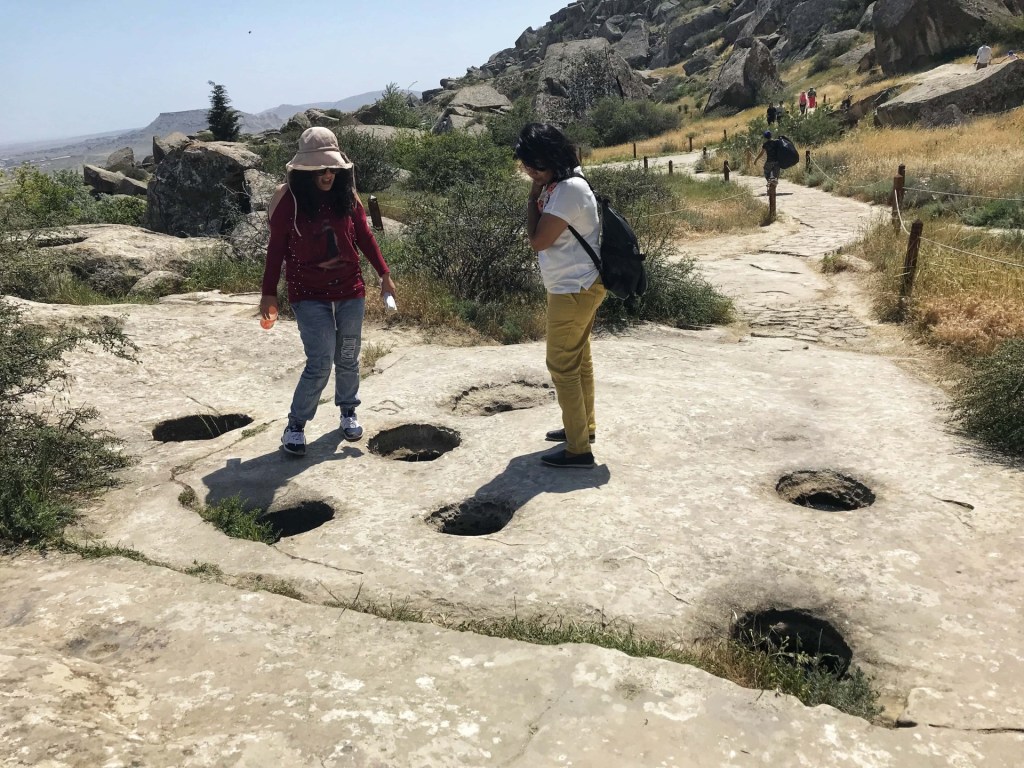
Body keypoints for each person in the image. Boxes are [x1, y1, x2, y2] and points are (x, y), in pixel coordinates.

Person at [260, 127, 397, 456]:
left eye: (332, 167)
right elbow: (276, 249)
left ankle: (348, 411)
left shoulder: (346, 196)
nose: (327, 173)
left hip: (351, 290)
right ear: (305, 171)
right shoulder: (290, 201)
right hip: (308, 294)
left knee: (348, 357)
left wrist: (384, 275)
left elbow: (365, 237)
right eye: (319, 168)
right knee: (320, 361)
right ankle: (296, 425)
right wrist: (269, 294)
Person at [514, 123, 606, 469]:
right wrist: (540, 185)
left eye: (532, 165)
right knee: (579, 360)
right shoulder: (567, 181)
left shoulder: (566, 190)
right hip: (578, 285)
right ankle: (583, 428)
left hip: (573, 289)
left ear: (547, 160)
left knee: (561, 365)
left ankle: (578, 449)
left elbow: (538, 240)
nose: (528, 171)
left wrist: (531, 194)